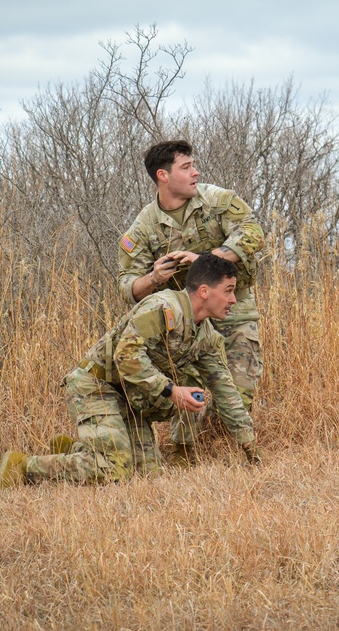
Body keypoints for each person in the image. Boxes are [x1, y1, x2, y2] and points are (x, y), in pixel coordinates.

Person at [0, 253, 260, 488]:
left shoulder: (207, 337)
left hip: (129, 398)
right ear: (204, 291)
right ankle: (23, 468)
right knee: (116, 469)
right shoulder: (163, 308)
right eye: (228, 291)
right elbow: (126, 354)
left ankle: (80, 452)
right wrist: (171, 391)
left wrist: (250, 449)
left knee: (148, 476)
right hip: (97, 386)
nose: (233, 300)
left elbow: (226, 393)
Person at [117, 140, 265, 464]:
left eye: (193, 165)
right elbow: (127, 287)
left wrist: (208, 260)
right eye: (186, 167)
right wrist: (154, 277)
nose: (196, 172)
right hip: (185, 320)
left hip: (233, 310)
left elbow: (253, 232)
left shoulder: (217, 201)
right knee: (187, 384)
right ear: (163, 176)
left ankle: (221, 447)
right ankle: (185, 452)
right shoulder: (143, 228)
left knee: (239, 386)